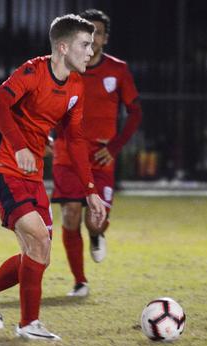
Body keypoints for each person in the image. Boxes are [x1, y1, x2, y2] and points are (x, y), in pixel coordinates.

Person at [0, 14, 106, 340]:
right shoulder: (33, 71)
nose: (91, 50)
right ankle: (28, 324)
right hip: (0, 168)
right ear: (62, 46)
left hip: (31, 176)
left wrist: (90, 190)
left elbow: (74, 140)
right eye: (85, 44)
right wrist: (18, 147)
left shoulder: (75, 86)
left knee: (39, 253)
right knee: (39, 241)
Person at [50, 9, 142, 297]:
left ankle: (96, 233)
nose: (92, 38)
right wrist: (46, 134)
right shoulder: (63, 66)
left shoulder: (118, 70)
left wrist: (114, 147)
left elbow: (136, 112)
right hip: (67, 154)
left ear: (105, 38)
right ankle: (80, 282)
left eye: (97, 33)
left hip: (100, 158)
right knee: (70, 214)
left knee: (95, 219)